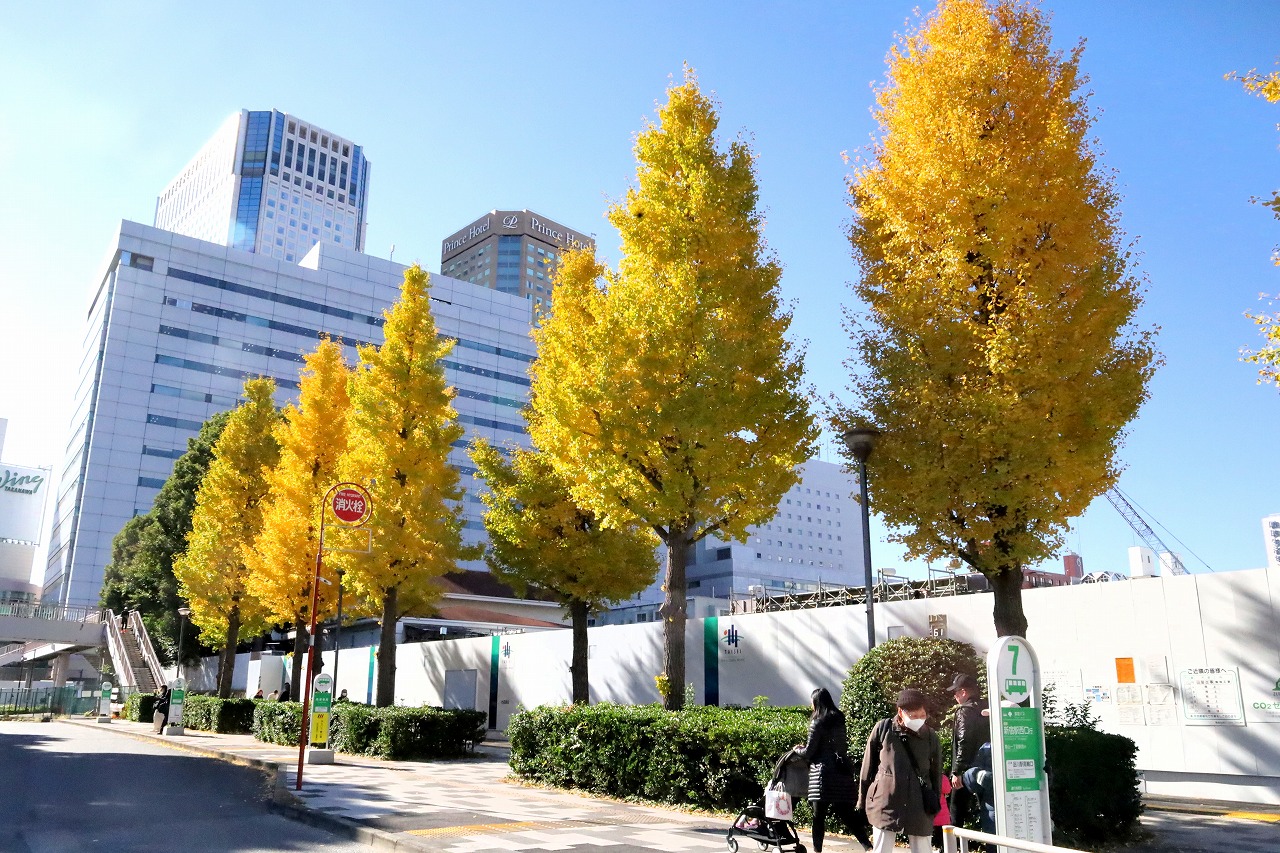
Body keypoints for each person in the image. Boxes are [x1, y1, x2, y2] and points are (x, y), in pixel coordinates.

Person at [859, 688, 943, 853]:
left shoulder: (930, 736)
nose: (919, 720)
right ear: (900, 712)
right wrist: (862, 800)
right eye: (914, 716)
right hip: (885, 801)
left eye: (922, 715)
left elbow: (936, 773)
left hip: (919, 803)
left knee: (923, 849)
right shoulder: (884, 728)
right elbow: (867, 766)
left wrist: (935, 802)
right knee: (882, 849)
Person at [795, 687, 873, 852]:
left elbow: (809, 752)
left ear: (816, 702)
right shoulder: (839, 719)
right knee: (847, 815)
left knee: (818, 817)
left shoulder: (817, 722)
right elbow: (841, 747)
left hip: (822, 775)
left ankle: (817, 850)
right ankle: (868, 847)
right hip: (841, 773)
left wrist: (797, 749)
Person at [946, 673, 990, 830]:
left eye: (956, 692)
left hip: (967, 770)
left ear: (963, 692)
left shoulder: (965, 710)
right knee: (988, 809)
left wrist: (957, 770)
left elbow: (964, 740)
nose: (955, 696)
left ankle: (952, 844)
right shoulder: (988, 707)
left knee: (956, 810)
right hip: (988, 766)